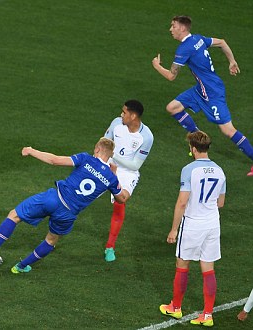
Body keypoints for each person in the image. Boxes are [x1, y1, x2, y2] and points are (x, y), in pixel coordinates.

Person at [0, 138, 130, 274]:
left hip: (53, 198)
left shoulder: (86, 158)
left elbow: (54, 160)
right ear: (110, 156)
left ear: (97, 148)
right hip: (68, 214)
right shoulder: (111, 178)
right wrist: (114, 174)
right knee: (51, 241)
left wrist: (31, 150)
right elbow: (122, 199)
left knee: (14, 215)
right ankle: (20, 267)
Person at [151, 15, 253, 176]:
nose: (171, 29)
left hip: (212, 92)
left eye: (173, 26)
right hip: (201, 89)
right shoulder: (198, 39)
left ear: (182, 28)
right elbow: (222, 42)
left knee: (228, 130)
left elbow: (171, 76)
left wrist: (157, 66)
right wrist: (231, 61)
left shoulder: (184, 48)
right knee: (173, 108)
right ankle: (197, 137)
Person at [159, 131, 226, 327]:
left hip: (193, 223)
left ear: (193, 149)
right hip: (212, 223)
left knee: (182, 264)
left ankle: (176, 307)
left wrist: (173, 229)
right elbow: (220, 202)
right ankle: (207, 315)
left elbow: (182, 202)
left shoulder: (189, 170)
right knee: (208, 269)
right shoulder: (220, 170)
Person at [103, 100, 154, 262]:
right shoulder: (116, 123)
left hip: (127, 172)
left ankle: (110, 247)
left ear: (133, 116)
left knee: (121, 201)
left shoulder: (146, 137)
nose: (121, 115)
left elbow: (135, 165)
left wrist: (114, 158)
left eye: (124, 112)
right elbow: (104, 143)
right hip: (107, 163)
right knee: (81, 193)